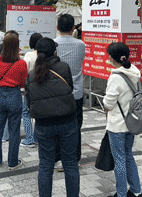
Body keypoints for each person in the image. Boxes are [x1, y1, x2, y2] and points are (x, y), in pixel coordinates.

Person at [26, 37, 79, 197]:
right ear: (54, 52)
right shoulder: (63, 67)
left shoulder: (31, 75)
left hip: (43, 124)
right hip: (67, 121)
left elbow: (29, 100)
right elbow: (69, 87)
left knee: (45, 165)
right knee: (70, 164)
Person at [103, 42, 142, 197]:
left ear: (113, 58)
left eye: (109, 55)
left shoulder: (115, 77)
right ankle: (136, 190)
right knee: (128, 156)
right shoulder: (135, 72)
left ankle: (121, 194)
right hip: (132, 123)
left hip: (117, 125)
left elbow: (109, 103)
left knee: (119, 159)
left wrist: (105, 106)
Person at [0, 31, 28, 170]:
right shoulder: (21, 63)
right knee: (14, 131)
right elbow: (23, 81)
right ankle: (12, 162)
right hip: (14, 95)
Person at [54, 13, 85, 167]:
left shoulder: (53, 44)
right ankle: (75, 157)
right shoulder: (81, 45)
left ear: (57, 27)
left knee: (58, 125)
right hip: (76, 92)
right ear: (73, 28)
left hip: (57, 93)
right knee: (75, 126)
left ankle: (58, 157)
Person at [20, 32, 43, 147]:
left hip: (29, 88)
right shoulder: (43, 55)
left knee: (26, 112)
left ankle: (29, 139)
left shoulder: (28, 55)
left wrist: (22, 88)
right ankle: (37, 137)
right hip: (42, 88)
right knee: (39, 113)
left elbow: (24, 72)